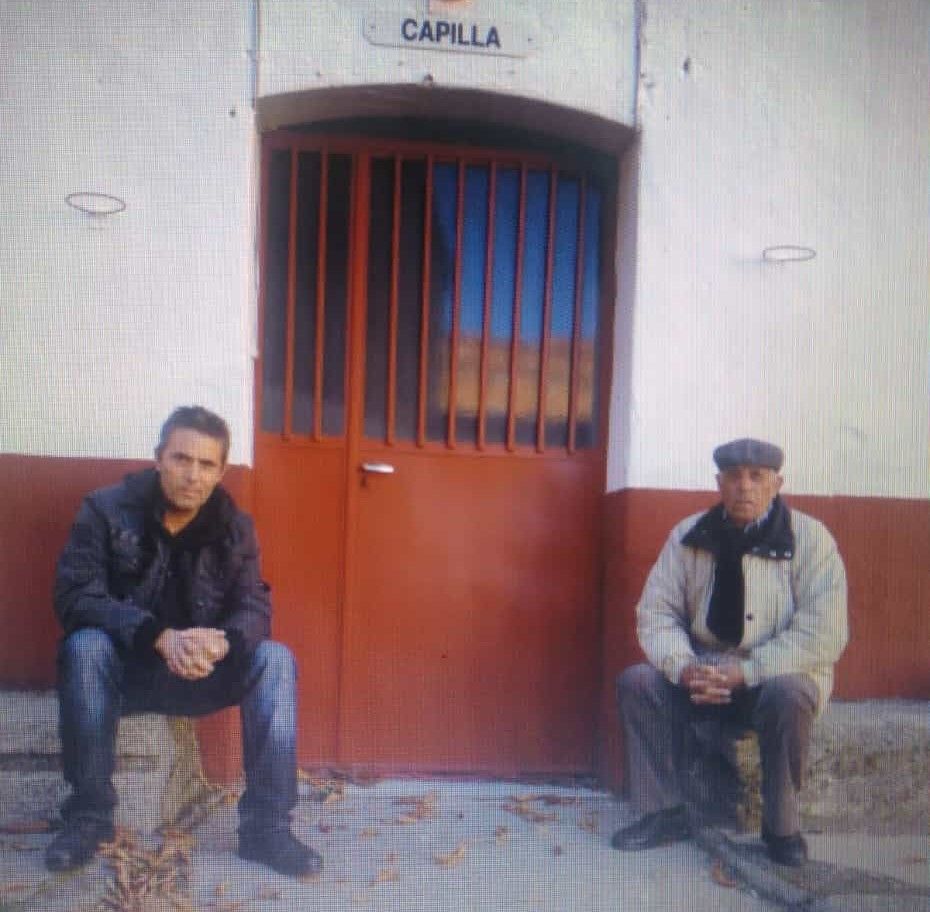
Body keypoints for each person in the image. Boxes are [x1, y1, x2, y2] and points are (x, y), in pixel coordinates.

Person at [46, 406, 321, 878]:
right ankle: (89, 818)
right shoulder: (105, 509)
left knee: (275, 659)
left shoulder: (235, 527)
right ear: (158, 459)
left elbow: (254, 606)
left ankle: (266, 829)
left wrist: (223, 643)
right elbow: (75, 595)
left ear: (221, 471)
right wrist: (156, 636)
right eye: (181, 459)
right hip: (126, 672)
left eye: (207, 464)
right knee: (85, 646)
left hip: (201, 673)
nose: (192, 475)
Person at [612, 438, 848, 866]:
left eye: (757, 477)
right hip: (703, 675)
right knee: (638, 682)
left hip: (773, 677)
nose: (745, 487)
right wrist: (684, 668)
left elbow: (824, 632)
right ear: (719, 483)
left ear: (777, 483)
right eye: (734, 477)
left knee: (790, 693)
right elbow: (656, 613)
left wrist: (749, 670)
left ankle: (782, 829)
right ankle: (663, 812)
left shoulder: (812, 540)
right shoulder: (687, 536)